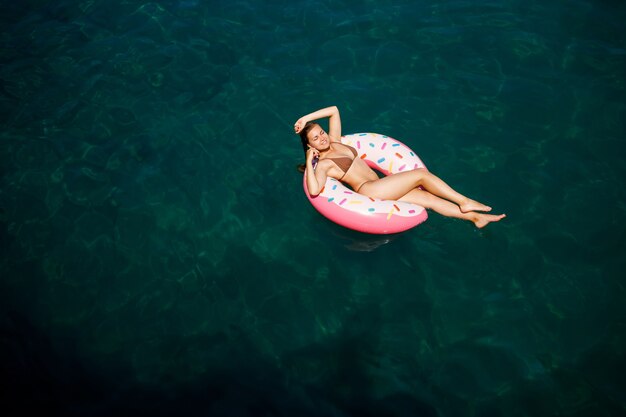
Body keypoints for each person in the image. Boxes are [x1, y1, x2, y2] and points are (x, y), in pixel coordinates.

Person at [294, 106, 506, 229]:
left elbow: (334, 110)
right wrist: (308, 156)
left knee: (428, 199)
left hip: (380, 185)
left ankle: (475, 218)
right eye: (316, 138)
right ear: (310, 145)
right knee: (421, 175)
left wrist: (306, 119)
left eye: (321, 133)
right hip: (369, 190)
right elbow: (314, 189)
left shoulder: (335, 141)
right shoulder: (323, 164)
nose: (322, 138)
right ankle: (464, 201)